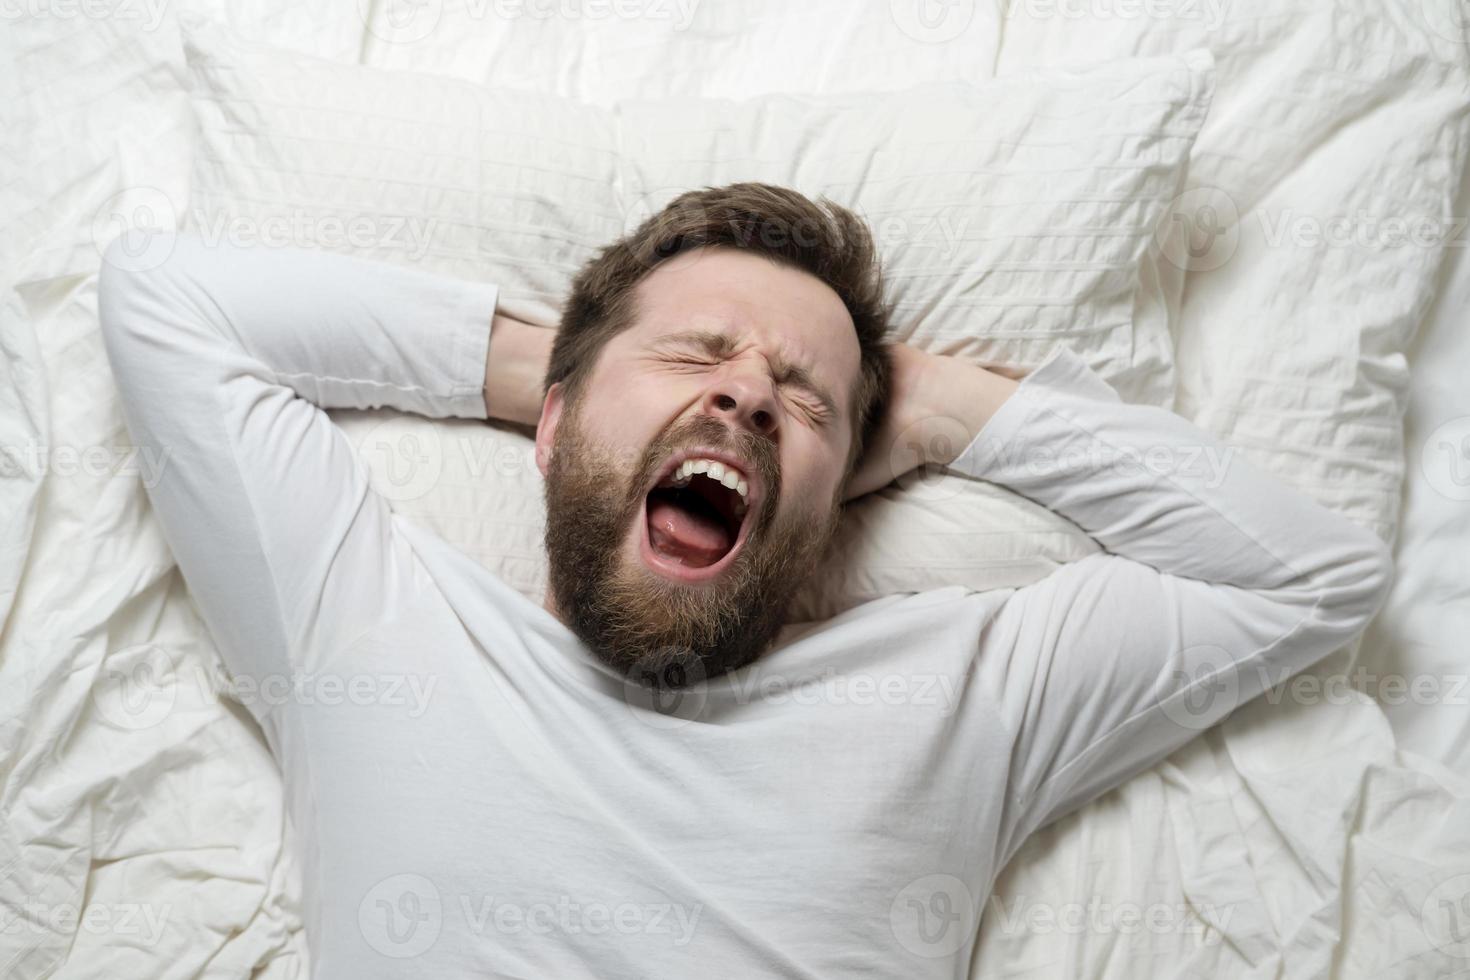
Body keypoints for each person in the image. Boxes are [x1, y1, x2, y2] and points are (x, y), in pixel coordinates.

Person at [98, 182, 1392, 978]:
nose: (744, 392)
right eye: (697, 354)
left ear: (850, 499)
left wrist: (936, 406)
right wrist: (574, 379)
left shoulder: (956, 693)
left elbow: (1310, 579)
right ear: (545, 429)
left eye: (803, 399)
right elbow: (164, 302)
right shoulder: (365, 620)